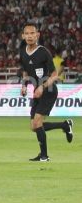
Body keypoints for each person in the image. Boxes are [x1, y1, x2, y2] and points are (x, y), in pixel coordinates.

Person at [19, 22, 73, 162]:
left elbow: (55, 74)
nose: (30, 36)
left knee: (37, 122)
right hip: (37, 91)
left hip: (48, 90)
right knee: (34, 126)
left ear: (38, 35)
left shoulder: (43, 52)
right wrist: (24, 85)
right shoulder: (22, 51)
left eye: (33, 33)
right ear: (23, 36)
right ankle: (64, 125)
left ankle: (44, 156)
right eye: (27, 33)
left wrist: (42, 87)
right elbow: (25, 71)